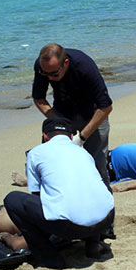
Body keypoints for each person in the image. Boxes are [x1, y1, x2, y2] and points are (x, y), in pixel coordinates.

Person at [3, 117, 115, 269]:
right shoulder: (84, 153)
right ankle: (93, 245)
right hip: (106, 219)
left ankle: (49, 257)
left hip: (70, 227)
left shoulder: (35, 153)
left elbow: (36, 197)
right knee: (92, 189)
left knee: (13, 199)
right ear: (70, 137)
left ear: (45, 136)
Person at [32, 44, 113, 186]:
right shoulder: (42, 66)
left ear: (66, 63)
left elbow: (105, 107)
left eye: (54, 74)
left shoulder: (84, 66)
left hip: (93, 115)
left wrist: (81, 138)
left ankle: (105, 204)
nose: (50, 78)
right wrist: (57, 121)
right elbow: (39, 99)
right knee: (52, 163)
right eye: (46, 74)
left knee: (97, 166)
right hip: (63, 113)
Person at [13, 141, 136, 193]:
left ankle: (30, 181)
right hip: (107, 157)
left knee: (74, 174)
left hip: (110, 168)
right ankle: (38, 165)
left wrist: (128, 186)